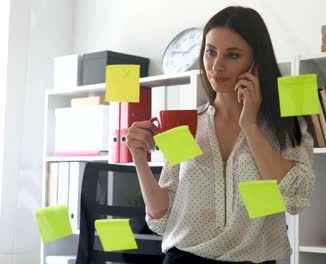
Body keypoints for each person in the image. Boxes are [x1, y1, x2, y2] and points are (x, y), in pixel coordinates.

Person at [126, 6, 315, 264]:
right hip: (185, 258)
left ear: (256, 61)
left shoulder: (283, 125)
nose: (216, 66)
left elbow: (296, 197)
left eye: (232, 55)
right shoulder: (187, 123)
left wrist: (249, 125)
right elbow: (163, 215)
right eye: (210, 52)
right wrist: (139, 157)